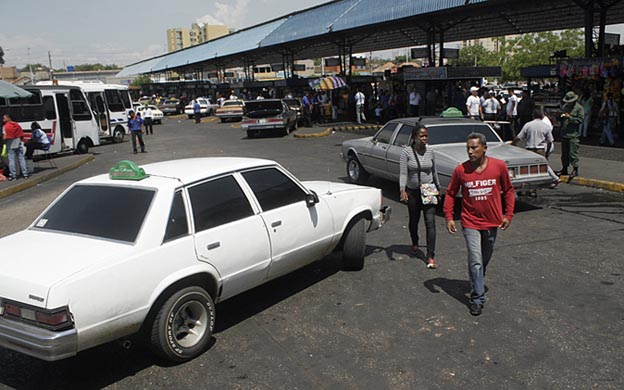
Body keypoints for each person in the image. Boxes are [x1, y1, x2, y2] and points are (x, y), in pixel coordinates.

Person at [443, 133, 515, 316]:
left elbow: (508, 190)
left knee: (484, 259)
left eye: (474, 147)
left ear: (484, 148)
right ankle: (477, 299)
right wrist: (449, 217)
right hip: (470, 222)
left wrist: (508, 215)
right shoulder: (461, 170)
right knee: (475, 260)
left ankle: (476, 282)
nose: (470, 151)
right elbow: (451, 193)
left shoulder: (498, 167)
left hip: (492, 222)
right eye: (468, 147)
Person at [400, 125, 440, 269]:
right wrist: (402, 189)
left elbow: (434, 171)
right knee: (414, 220)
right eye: (421, 136)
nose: (424, 138)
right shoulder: (406, 152)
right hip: (413, 191)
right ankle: (415, 242)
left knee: (430, 222)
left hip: (429, 189)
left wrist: (438, 187)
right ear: (414, 137)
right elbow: (403, 173)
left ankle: (430, 256)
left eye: (426, 136)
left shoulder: (430, 151)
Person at [558, 91, 584, 178]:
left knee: (573, 153)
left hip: (573, 134)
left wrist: (571, 118)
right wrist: (561, 116)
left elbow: (580, 120)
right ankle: (564, 168)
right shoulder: (566, 107)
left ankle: (575, 169)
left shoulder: (579, 108)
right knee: (564, 153)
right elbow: (561, 115)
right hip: (565, 133)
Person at [2, 114, 28, 181]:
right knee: (21, 158)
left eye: (4, 118)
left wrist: (3, 141)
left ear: (8, 118)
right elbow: (21, 134)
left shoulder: (5, 126)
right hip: (18, 143)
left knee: (11, 160)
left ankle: (13, 175)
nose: (3, 120)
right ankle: (25, 174)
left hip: (10, 145)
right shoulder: (17, 124)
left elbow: (5, 137)